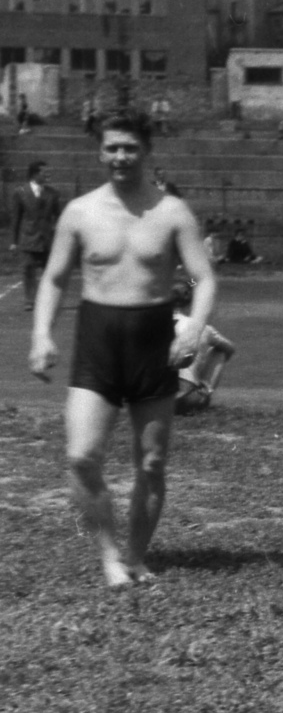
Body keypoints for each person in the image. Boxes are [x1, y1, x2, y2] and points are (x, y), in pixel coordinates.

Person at [28, 109, 216, 588]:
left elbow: (203, 277)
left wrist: (194, 327)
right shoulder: (80, 212)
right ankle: (110, 554)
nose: (120, 156)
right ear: (100, 152)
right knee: (81, 457)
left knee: (151, 463)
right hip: (99, 340)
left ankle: (136, 555)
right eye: (112, 147)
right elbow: (54, 278)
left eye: (130, 148)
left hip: (153, 341)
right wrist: (42, 333)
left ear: (146, 151)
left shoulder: (172, 213)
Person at [169, 277, 235, 414]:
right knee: (220, 351)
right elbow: (230, 349)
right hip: (185, 401)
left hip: (152, 400)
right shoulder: (200, 326)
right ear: (190, 301)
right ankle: (205, 390)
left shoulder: (152, 324)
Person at [10, 160, 62, 312]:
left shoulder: (53, 193)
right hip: (28, 238)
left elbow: (58, 216)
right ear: (34, 174)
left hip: (47, 239)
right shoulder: (20, 192)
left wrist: (58, 234)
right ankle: (29, 300)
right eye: (44, 172)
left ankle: (47, 300)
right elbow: (16, 218)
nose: (48, 175)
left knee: (49, 272)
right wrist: (13, 241)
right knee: (28, 270)